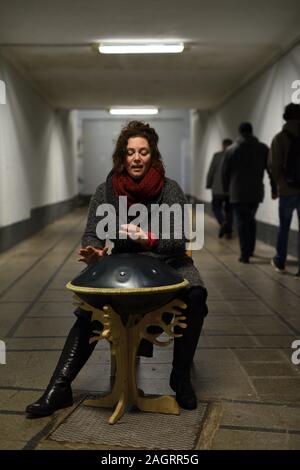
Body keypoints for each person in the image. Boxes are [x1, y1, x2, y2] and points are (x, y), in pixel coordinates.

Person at [25, 121, 208, 417]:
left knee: (196, 296)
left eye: (144, 152)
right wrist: (94, 250)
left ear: (153, 156)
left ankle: (180, 377)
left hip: (169, 263)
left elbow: (178, 240)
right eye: (130, 152)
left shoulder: (170, 189)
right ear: (121, 156)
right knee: (90, 308)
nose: (137, 158)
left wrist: (147, 238)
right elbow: (92, 233)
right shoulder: (106, 190)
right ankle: (59, 388)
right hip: (126, 264)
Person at [223, 122, 277, 263]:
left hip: (237, 193)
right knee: (251, 219)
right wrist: (274, 187)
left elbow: (225, 173)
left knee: (241, 222)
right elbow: (270, 170)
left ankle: (244, 254)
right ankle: (251, 249)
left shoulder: (231, 150)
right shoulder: (263, 148)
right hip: (255, 192)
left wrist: (225, 191)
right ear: (252, 132)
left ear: (239, 132)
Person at [268, 103, 300, 278]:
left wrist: (278, 184)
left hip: (287, 190)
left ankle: (280, 260)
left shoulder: (280, 138)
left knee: (284, 227)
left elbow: (273, 165)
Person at [206, 138, 233, 238]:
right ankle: (228, 231)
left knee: (216, 208)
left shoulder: (217, 155)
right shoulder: (234, 156)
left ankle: (223, 223)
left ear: (223, 145)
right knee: (229, 211)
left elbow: (211, 171)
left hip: (218, 189)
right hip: (230, 190)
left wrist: (209, 183)